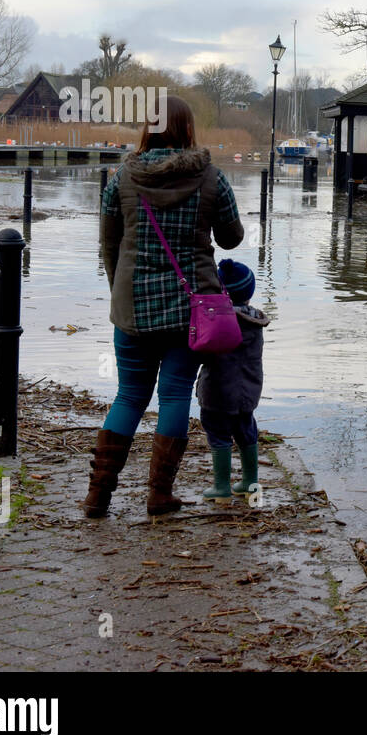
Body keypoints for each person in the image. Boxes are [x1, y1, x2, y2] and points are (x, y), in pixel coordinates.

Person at [85, 97, 244, 518]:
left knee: (129, 396)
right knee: (174, 395)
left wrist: (120, 288)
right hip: (191, 314)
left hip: (132, 307)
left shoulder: (122, 178)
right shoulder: (212, 178)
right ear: (188, 131)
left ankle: (97, 498)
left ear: (148, 129)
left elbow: (108, 242)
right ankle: (159, 495)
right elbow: (231, 239)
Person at [196, 259, 268, 501]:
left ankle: (221, 487)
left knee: (218, 435)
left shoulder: (218, 321)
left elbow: (203, 353)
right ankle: (249, 482)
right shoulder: (256, 322)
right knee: (247, 432)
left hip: (218, 393)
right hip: (248, 392)